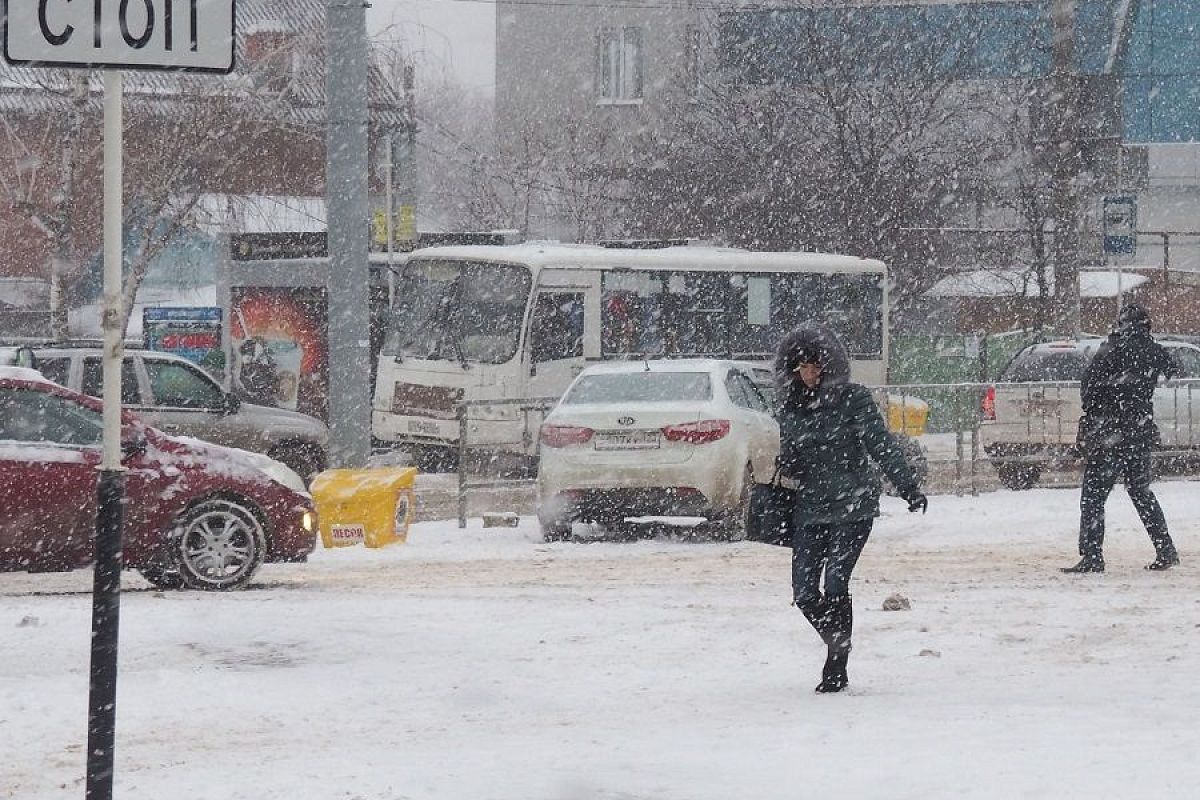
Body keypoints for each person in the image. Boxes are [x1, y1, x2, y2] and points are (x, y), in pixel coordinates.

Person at [774, 322, 927, 693]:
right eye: (801, 367)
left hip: (852, 506)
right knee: (805, 593)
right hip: (810, 507)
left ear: (828, 367)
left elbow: (881, 444)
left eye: (814, 366)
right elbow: (792, 455)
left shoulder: (854, 400)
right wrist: (788, 465)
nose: (808, 374)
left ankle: (836, 663)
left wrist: (907, 486)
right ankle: (838, 639)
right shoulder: (792, 408)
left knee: (837, 581)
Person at [1064, 303, 1181, 574]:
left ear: (1122, 325)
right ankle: (1165, 548)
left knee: (1093, 496)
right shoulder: (1154, 351)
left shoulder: (1112, 350)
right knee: (1140, 491)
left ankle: (1092, 556)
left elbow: (1088, 390)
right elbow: (1172, 368)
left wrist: (1103, 407)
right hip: (1139, 433)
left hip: (1110, 434)